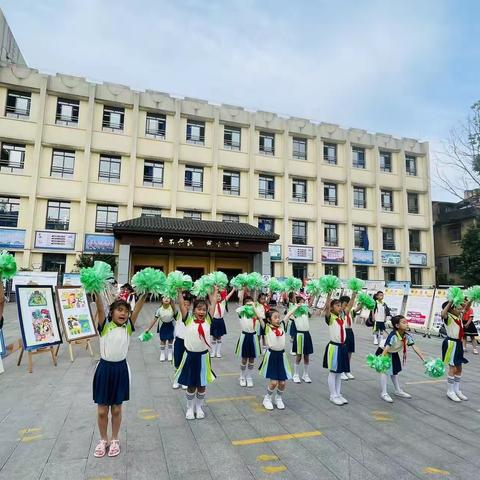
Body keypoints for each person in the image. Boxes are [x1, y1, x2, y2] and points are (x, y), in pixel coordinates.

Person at [92, 292, 146, 458]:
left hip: (120, 370)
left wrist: (146, 292)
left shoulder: (128, 327)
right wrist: (96, 291)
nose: (123, 313)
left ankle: (114, 439)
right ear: (111, 313)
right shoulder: (105, 325)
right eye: (119, 310)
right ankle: (103, 440)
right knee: (102, 410)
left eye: (126, 311)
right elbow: (100, 308)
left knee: (116, 408)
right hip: (104, 370)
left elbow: (137, 308)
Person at [174, 287, 217, 420]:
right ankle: (190, 407)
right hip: (190, 357)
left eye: (204, 309)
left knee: (202, 385)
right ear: (194, 310)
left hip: (203, 357)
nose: (202, 312)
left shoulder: (208, 320)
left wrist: (214, 292)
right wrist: (179, 292)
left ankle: (199, 407)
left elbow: (213, 303)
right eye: (199, 309)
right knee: (191, 384)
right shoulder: (188, 319)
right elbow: (181, 304)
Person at [376, 315, 425, 403]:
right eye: (404, 322)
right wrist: (381, 360)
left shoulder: (407, 335)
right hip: (384, 352)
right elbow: (386, 348)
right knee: (385, 372)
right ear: (397, 326)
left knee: (395, 372)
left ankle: (398, 390)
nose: (407, 324)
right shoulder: (393, 336)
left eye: (406, 322)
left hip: (393, 352)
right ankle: (384, 393)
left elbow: (414, 346)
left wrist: (424, 360)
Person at [258, 308, 292, 410]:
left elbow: (288, 315)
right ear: (269, 319)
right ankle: (267, 398)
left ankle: (278, 398)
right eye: (275, 317)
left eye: (278, 317)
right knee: (273, 382)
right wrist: (253, 307)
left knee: (282, 382)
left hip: (281, 356)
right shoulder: (267, 327)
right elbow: (260, 317)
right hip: (272, 356)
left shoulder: (282, 326)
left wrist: (297, 307)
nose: (278, 319)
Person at [323, 292, 350, 405]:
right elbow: (327, 308)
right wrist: (329, 294)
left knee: (339, 372)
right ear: (332, 307)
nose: (340, 307)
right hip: (334, 347)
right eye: (337, 305)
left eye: (340, 306)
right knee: (333, 372)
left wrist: (353, 294)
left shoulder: (341, 317)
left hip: (342, 347)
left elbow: (348, 307)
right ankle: (332, 395)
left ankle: (338, 393)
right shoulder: (330, 318)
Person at [441, 299, 471, 402]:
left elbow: (466, 308)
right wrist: (450, 302)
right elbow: (443, 312)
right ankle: (450, 391)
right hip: (451, 343)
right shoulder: (448, 317)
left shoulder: (459, 316)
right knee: (452, 367)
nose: (460, 309)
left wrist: (472, 298)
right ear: (451, 309)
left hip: (458, 343)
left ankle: (457, 389)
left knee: (459, 367)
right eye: (458, 308)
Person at [235, 295, 261, 387]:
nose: (249, 305)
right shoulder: (241, 313)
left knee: (252, 358)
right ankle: (242, 376)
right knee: (244, 358)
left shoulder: (255, 313)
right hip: (245, 336)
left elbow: (260, 316)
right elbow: (239, 306)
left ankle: (249, 376)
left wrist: (253, 306)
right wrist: (245, 305)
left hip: (253, 337)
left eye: (251, 303)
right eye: (247, 304)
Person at [287, 294, 313, 384]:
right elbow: (293, 303)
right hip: (299, 335)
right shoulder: (295, 312)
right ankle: (296, 374)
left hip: (307, 334)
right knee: (299, 355)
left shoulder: (306, 311)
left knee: (307, 356)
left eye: (304, 301)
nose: (303, 303)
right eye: (302, 301)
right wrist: (297, 304)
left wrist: (314, 293)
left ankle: (305, 375)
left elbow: (310, 304)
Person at [145, 296, 176, 362]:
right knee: (163, 340)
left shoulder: (172, 309)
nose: (166, 299)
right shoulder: (159, 310)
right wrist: (148, 328)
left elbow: (177, 316)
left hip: (171, 325)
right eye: (164, 297)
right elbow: (154, 320)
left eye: (168, 297)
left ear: (171, 300)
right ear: (161, 300)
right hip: (163, 326)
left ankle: (170, 353)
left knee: (171, 340)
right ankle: (162, 354)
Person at [172, 293, 192, 389]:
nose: (186, 306)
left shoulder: (192, 316)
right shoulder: (178, 315)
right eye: (184, 304)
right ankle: (176, 380)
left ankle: (184, 380)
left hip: (188, 342)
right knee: (177, 362)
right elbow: (173, 306)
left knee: (186, 362)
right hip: (179, 341)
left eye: (188, 304)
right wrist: (171, 296)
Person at [210, 288, 236, 358]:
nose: (218, 297)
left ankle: (218, 352)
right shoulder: (213, 302)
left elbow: (229, 296)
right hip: (214, 321)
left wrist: (233, 290)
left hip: (220, 321)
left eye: (219, 296)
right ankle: (213, 352)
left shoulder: (223, 302)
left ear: (221, 297)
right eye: (217, 296)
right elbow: (209, 294)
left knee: (219, 337)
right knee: (214, 337)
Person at [339, 293, 359, 380]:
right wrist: (353, 296)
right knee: (343, 352)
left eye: (348, 304)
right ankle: (341, 371)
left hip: (350, 332)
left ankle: (347, 370)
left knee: (349, 352)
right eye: (345, 305)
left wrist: (363, 301)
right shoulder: (340, 312)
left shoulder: (350, 312)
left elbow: (357, 308)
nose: (347, 306)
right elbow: (349, 307)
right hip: (343, 332)